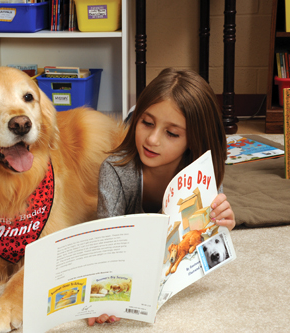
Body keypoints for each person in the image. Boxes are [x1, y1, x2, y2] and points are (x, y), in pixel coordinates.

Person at [88, 67, 235, 326]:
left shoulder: (203, 172)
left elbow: (208, 241)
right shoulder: (114, 170)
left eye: (172, 133)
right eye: (147, 123)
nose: (152, 139)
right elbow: (106, 242)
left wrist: (223, 224)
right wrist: (103, 296)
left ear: (192, 140)